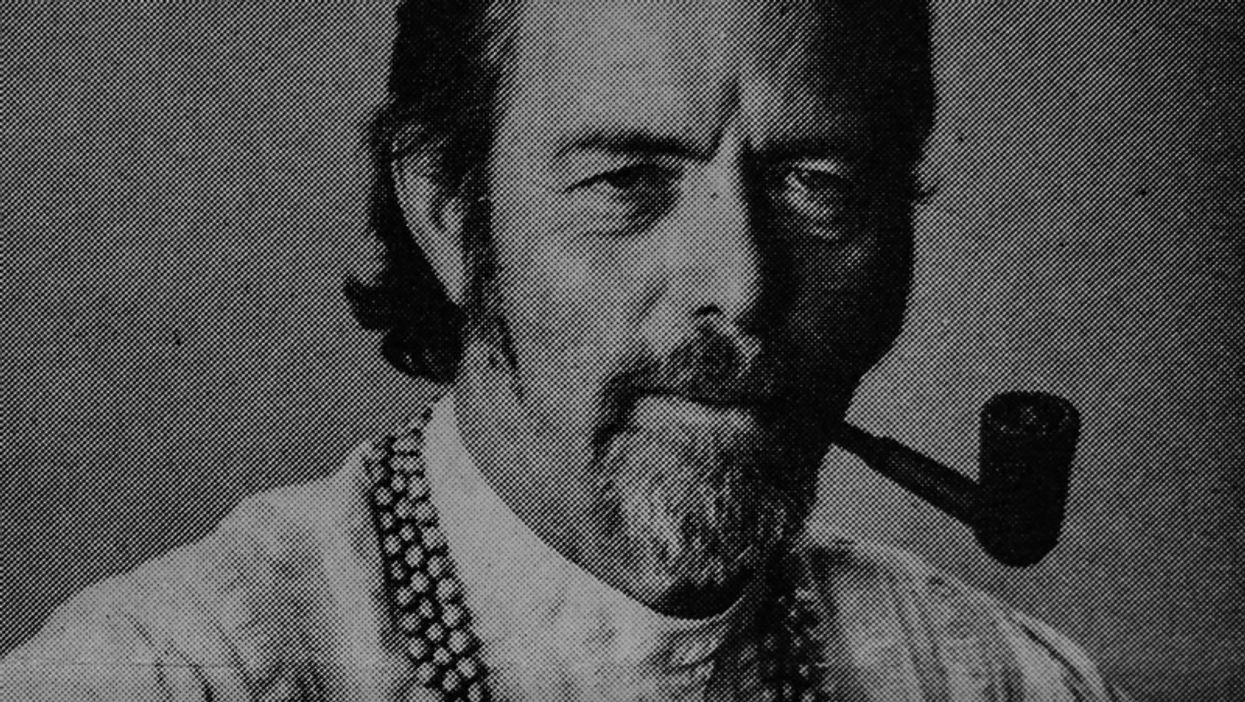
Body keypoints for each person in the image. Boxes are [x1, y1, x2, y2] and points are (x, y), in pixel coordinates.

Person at [1, 0, 1137, 700]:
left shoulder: (997, 682)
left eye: (818, 185)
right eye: (626, 180)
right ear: (447, 211)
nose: (742, 286)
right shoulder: (168, 675)